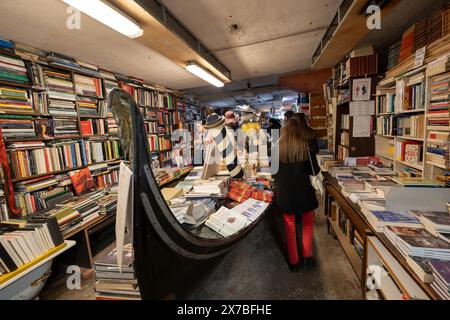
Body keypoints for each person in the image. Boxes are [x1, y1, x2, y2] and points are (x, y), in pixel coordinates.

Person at [275, 117, 320, 272]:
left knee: (290, 227)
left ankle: (294, 262)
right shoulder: (306, 148)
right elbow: (315, 170)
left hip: (285, 194)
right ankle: (307, 257)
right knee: (307, 224)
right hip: (304, 193)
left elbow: (273, 172)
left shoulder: (274, 149)